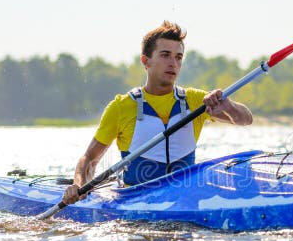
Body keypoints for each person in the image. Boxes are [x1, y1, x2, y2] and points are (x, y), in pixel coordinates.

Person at [62, 21, 253, 204]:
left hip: (184, 199)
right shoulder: (121, 107)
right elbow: (90, 158)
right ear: (146, 61)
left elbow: (246, 119)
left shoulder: (196, 100)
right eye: (165, 55)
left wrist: (228, 106)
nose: (173, 63)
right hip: (135, 203)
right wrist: (78, 185)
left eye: (178, 57)